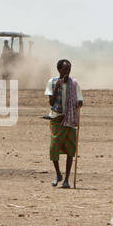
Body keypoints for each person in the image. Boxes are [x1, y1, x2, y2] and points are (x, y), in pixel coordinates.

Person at [45, 59, 83, 188]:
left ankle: (66, 180)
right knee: (54, 148)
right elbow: (51, 102)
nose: (67, 72)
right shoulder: (52, 82)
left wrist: (78, 103)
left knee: (70, 150)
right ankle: (58, 174)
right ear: (59, 70)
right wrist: (57, 87)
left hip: (70, 120)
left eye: (69, 69)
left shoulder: (74, 84)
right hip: (57, 118)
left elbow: (80, 100)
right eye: (65, 69)